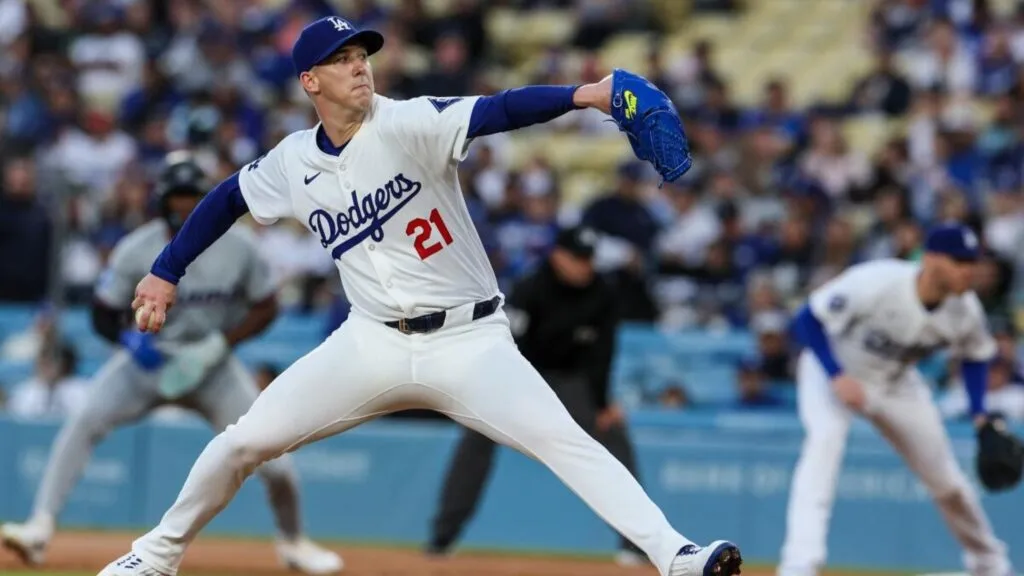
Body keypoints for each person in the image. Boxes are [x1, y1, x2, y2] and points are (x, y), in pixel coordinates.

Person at [96, 15, 741, 576]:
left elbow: (499, 109)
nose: (359, 67)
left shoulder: (407, 122)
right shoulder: (293, 162)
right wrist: (166, 270)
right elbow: (226, 199)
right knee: (243, 442)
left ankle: (676, 555)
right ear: (310, 82)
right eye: (342, 60)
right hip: (371, 341)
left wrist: (588, 94)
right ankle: (154, 556)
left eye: (362, 56)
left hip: (469, 341)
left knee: (565, 441)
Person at [1, 153, 341, 575]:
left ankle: (293, 542)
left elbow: (267, 306)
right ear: (161, 201)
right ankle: (40, 526)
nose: (184, 206)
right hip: (147, 363)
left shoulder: (239, 246)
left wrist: (221, 343)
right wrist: (130, 342)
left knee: (271, 448)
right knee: (83, 422)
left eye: (192, 197)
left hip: (212, 368)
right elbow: (102, 313)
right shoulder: (137, 248)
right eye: (177, 197)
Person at [777, 224, 1013, 576]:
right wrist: (836, 375)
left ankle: (989, 562)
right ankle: (800, 562)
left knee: (946, 479)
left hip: (897, 383)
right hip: (833, 370)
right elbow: (807, 319)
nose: (969, 270)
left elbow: (976, 355)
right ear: (931, 259)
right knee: (823, 445)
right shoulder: (878, 281)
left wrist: (980, 415)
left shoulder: (966, 309)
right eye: (959, 261)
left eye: (972, 261)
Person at [425, 225, 646, 565]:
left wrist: (603, 404)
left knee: (613, 433)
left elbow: (602, 355)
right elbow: (506, 344)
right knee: (476, 436)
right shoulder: (531, 287)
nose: (584, 266)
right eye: (577, 258)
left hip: (570, 381)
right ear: (558, 256)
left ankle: (636, 542)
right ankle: (442, 537)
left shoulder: (603, 293)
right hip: (518, 377)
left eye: (588, 259)